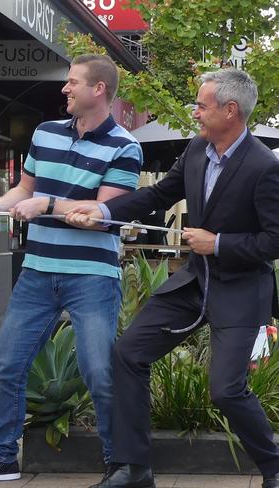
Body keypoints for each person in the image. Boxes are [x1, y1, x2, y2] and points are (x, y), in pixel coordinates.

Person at [66, 69, 279, 488]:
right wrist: (103, 212)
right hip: (193, 285)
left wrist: (218, 243)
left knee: (226, 390)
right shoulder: (198, 150)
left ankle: (274, 467)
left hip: (239, 290)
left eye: (202, 105)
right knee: (128, 353)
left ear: (230, 111)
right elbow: (159, 194)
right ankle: (135, 469)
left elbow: (273, 241)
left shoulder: (264, 166)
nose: (195, 113)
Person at [0, 54, 143, 484]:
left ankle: (119, 466)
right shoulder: (45, 133)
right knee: (7, 365)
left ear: (99, 90)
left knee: (100, 373)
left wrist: (48, 205)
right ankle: (2, 458)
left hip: (92, 277)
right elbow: (24, 189)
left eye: (73, 82)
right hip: (38, 270)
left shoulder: (125, 147)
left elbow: (104, 211)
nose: (64, 89)